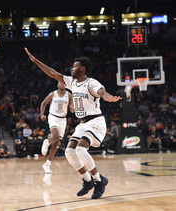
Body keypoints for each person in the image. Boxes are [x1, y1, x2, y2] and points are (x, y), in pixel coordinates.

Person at [25, 48, 121, 199]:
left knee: (81, 150)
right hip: (83, 124)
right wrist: (36, 61)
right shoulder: (72, 82)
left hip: (95, 121)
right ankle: (88, 180)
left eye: (74, 66)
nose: (71, 68)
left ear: (82, 69)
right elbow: (53, 73)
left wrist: (109, 97)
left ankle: (99, 181)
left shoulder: (91, 83)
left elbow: (102, 92)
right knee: (69, 152)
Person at [40, 81, 74, 174]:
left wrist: (72, 108)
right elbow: (43, 103)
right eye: (60, 83)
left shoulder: (69, 95)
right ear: (57, 85)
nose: (61, 84)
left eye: (63, 83)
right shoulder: (53, 94)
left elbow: (71, 109)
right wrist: (42, 114)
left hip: (63, 119)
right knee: (55, 136)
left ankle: (47, 164)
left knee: (55, 144)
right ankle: (46, 142)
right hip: (53, 117)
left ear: (65, 85)